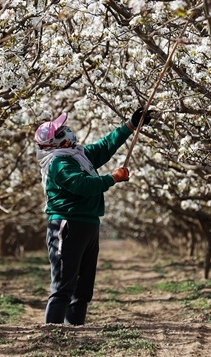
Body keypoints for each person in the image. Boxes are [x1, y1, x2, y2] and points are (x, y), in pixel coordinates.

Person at [34, 107, 151, 325]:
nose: (67, 131)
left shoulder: (77, 155)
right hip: (66, 225)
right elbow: (82, 185)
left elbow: (105, 147)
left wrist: (131, 125)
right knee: (63, 284)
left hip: (88, 224)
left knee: (83, 286)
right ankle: (51, 334)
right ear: (53, 143)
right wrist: (112, 178)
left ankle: (75, 329)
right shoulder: (58, 162)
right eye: (61, 132)